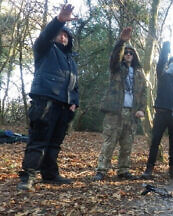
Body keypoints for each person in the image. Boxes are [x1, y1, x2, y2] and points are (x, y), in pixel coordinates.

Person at [17, 4, 79, 191]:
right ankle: (28, 176)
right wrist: (59, 20)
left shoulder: (71, 61)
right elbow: (44, 37)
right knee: (39, 139)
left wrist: (74, 103)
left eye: (66, 35)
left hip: (64, 106)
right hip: (45, 102)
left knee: (55, 142)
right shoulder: (45, 50)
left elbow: (75, 86)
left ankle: (50, 174)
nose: (63, 37)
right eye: (60, 33)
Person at [93, 27, 147, 181]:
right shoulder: (116, 68)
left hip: (132, 113)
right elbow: (115, 57)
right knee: (109, 142)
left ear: (134, 56)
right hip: (115, 111)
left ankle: (123, 170)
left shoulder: (139, 73)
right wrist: (122, 42)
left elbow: (143, 93)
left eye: (131, 53)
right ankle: (101, 170)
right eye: (126, 52)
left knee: (127, 144)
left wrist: (142, 109)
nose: (128, 55)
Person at [141, 41, 173, 180]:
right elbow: (160, 64)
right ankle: (149, 169)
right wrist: (165, 50)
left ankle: (172, 170)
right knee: (155, 141)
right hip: (161, 114)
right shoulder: (163, 76)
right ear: (169, 65)